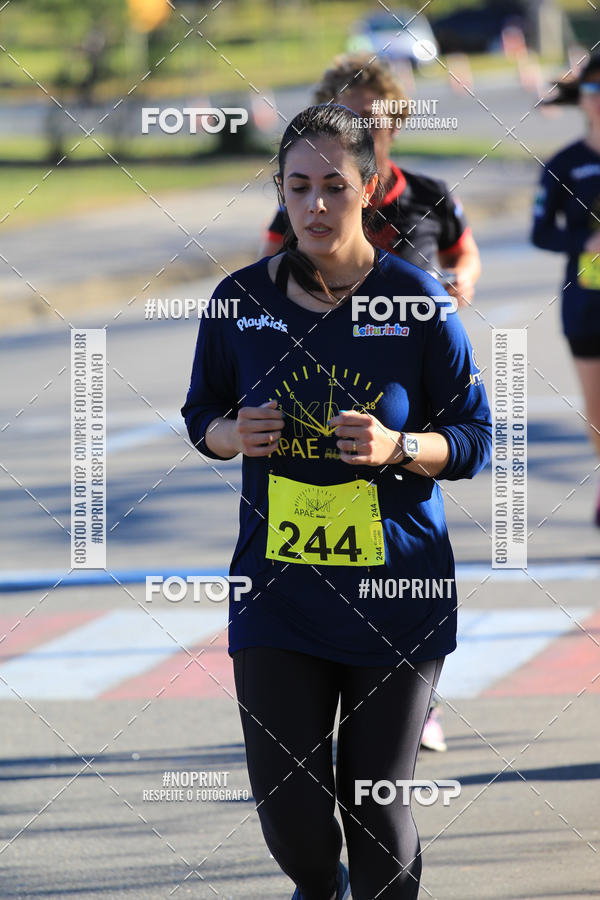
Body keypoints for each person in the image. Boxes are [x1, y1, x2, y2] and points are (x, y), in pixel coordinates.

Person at [182, 104, 492, 900]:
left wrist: (401, 448)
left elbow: (475, 436)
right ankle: (316, 888)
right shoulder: (239, 301)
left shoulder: (418, 303)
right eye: (298, 187)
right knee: (291, 815)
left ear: (366, 192)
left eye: (334, 186)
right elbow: (199, 417)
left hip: (396, 592)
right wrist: (230, 434)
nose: (316, 205)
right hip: (278, 591)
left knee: (374, 808)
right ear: (278, 195)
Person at [260, 52, 481, 308]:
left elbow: (464, 253)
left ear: (394, 125)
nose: (358, 134)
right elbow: (265, 274)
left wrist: (461, 279)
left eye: (368, 120)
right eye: (346, 122)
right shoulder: (305, 203)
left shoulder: (430, 194)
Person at [532, 54, 600, 527]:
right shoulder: (564, 165)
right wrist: (585, 242)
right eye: (594, 90)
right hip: (586, 305)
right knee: (597, 410)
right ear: (584, 100)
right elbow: (540, 233)